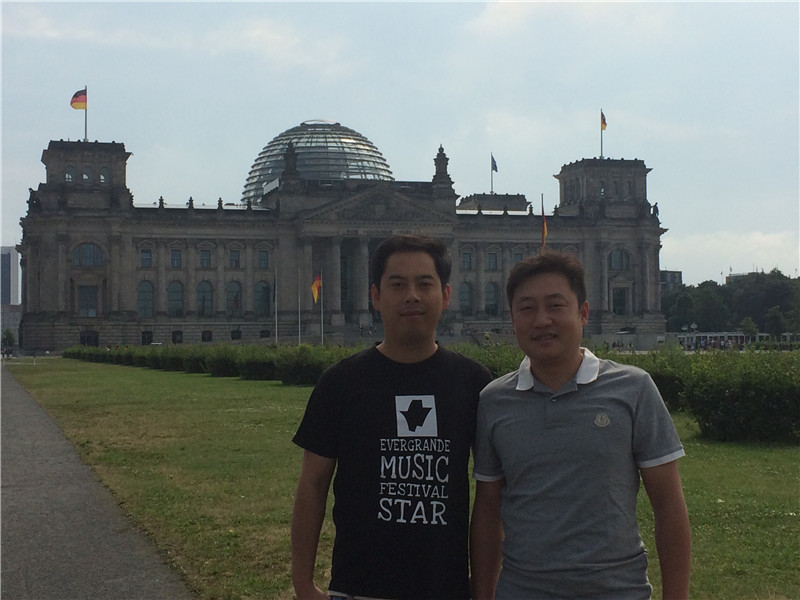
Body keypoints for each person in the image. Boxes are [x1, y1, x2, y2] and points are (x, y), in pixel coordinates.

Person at [470, 252, 691, 600]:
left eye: (555, 305)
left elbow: (668, 503)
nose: (542, 320)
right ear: (512, 317)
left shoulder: (633, 388)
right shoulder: (494, 401)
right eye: (527, 308)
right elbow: (487, 509)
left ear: (583, 313)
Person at [291, 234, 493, 600]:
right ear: (375, 296)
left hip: (445, 589)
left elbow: (490, 496)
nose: (411, 296)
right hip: (357, 589)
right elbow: (313, 485)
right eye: (397, 285)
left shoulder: (474, 383)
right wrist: (303, 584)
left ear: (446, 295)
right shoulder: (340, 381)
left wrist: (484, 591)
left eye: (424, 284)